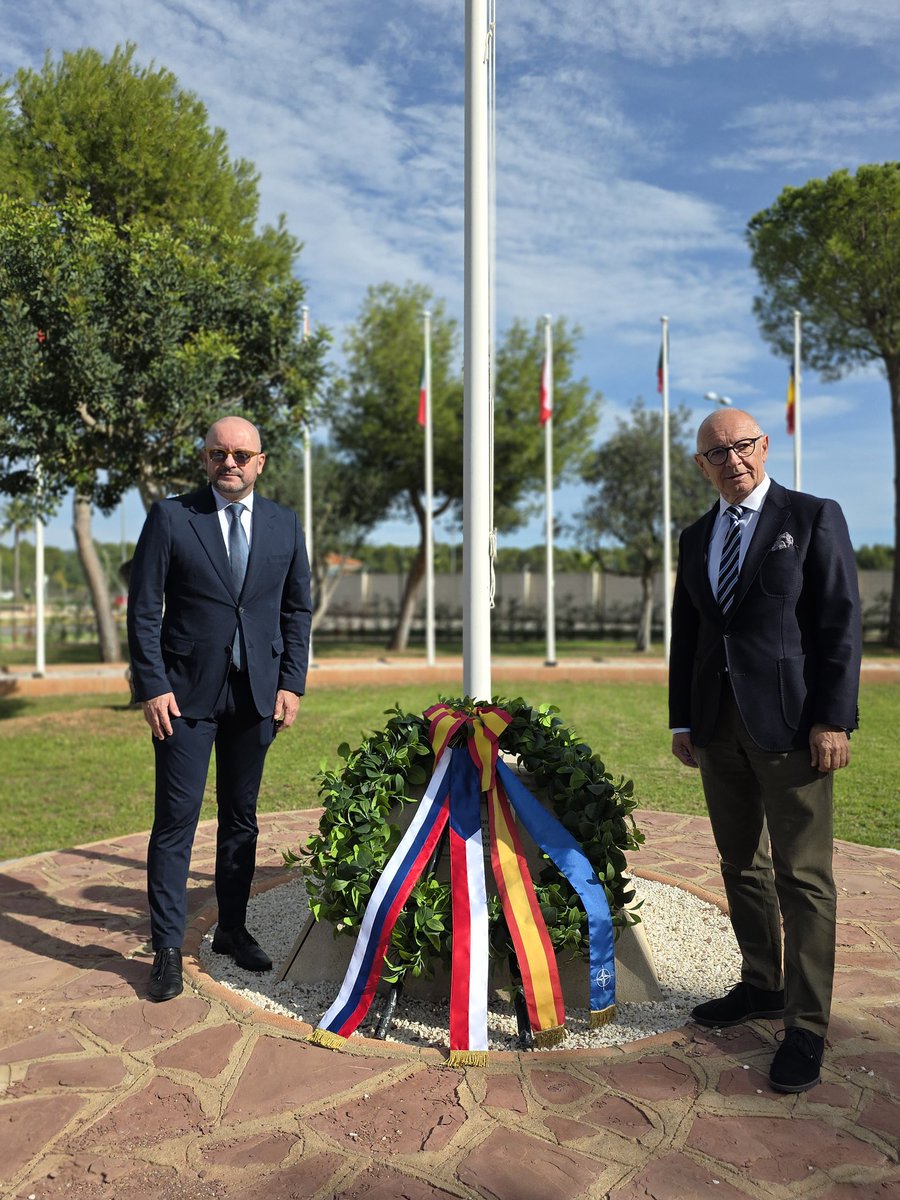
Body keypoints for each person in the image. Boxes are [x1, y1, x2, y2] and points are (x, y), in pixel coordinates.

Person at [669, 407, 861, 1093]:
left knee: (803, 880)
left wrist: (833, 719)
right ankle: (761, 984)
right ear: (702, 466)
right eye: (717, 453)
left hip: (793, 728)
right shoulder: (695, 536)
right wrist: (680, 721)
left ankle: (806, 1025)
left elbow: (839, 623)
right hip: (716, 731)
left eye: (743, 445)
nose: (733, 460)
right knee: (739, 864)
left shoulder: (811, 517)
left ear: (764, 446)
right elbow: (687, 635)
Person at [127, 415, 312, 1002]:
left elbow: (296, 611)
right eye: (216, 453)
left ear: (260, 461)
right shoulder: (172, 517)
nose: (228, 463)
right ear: (204, 460)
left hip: (256, 695)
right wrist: (153, 685)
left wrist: (292, 682)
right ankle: (165, 950)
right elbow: (143, 608)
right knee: (176, 821)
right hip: (182, 697)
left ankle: (231, 928)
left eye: (240, 453)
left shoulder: (285, 524)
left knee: (242, 817)